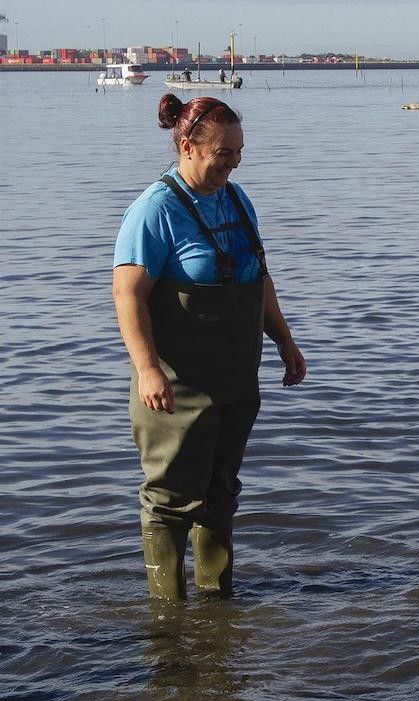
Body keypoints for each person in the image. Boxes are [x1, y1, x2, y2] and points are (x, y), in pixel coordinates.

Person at [112, 94, 306, 600]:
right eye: (223, 153)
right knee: (170, 498)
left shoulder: (238, 200)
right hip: (176, 386)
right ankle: (167, 613)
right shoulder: (155, 210)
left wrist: (284, 340)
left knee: (221, 493)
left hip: (236, 378)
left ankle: (217, 603)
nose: (233, 162)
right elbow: (127, 295)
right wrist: (147, 369)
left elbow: (259, 279)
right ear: (187, 146)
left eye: (239, 152)